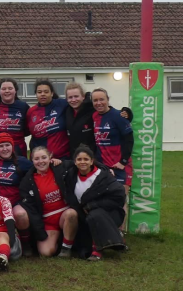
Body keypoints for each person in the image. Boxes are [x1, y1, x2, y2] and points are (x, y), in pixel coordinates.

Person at [64, 146, 127, 260]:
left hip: (109, 214)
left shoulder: (103, 176)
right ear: (75, 161)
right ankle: (113, 239)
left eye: (86, 159)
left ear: (92, 161)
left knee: (95, 214)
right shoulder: (71, 175)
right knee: (82, 248)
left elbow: (119, 196)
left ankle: (97, 250)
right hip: (84, 215)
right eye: (79, 159)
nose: (82, 162)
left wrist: (93, 205)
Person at [19, 147, 78, 258]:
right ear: (31, 160)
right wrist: (40, 231)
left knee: (71, 214)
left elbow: (80, 162)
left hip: (64, 215)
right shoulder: (27, 181)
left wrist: (103, 168)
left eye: (44, 157)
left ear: (50, 157)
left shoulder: (59, 167)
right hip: (48, 221)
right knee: (46, 252)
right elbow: (32, 211)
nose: (41, 161)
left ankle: (66, 248)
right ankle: (61, 238)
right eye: (36, 159)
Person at [91, 88, 134, 218]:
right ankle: (108, 230)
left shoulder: (118, 116)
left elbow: (129, 139)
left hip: (120, 166)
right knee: (104, 199)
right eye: (95, 100)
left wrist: (123, 162)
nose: (99, 103)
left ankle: (120, 234)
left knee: (120, 200)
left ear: (108, 100)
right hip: (103, 166)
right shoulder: (94, 116)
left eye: (102, 99)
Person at [0, 133, 32, 251]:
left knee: (21, 215)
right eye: (1, 146)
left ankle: (26, 243)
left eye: (8, 145)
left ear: (12, 146)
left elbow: (40, 167)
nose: (5, 149)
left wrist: (53, 162)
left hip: (14, 201)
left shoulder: (22, 162)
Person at [65, 83, 132, 155]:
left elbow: (110, 113)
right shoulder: (65, 110)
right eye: (70, 97)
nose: (73, 100)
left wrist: (127, 113)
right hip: (74, 157)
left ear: (83, 97)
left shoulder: (93, 108)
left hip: (93, 157)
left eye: (76, 96)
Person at [0, 78, 30, 155]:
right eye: (3, 89)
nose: (7, 91)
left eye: (10, 88)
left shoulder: (23, 107)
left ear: (15, 90)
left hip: (17, 148)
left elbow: (28, 129)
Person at [26, 79, 71, 159]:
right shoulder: (31, 112)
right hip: (41, 160)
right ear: (36, 94)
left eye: (46, 92)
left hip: (62, 158)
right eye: (39, 92)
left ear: (52, 93)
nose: (43, 94)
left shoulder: (62, 104)